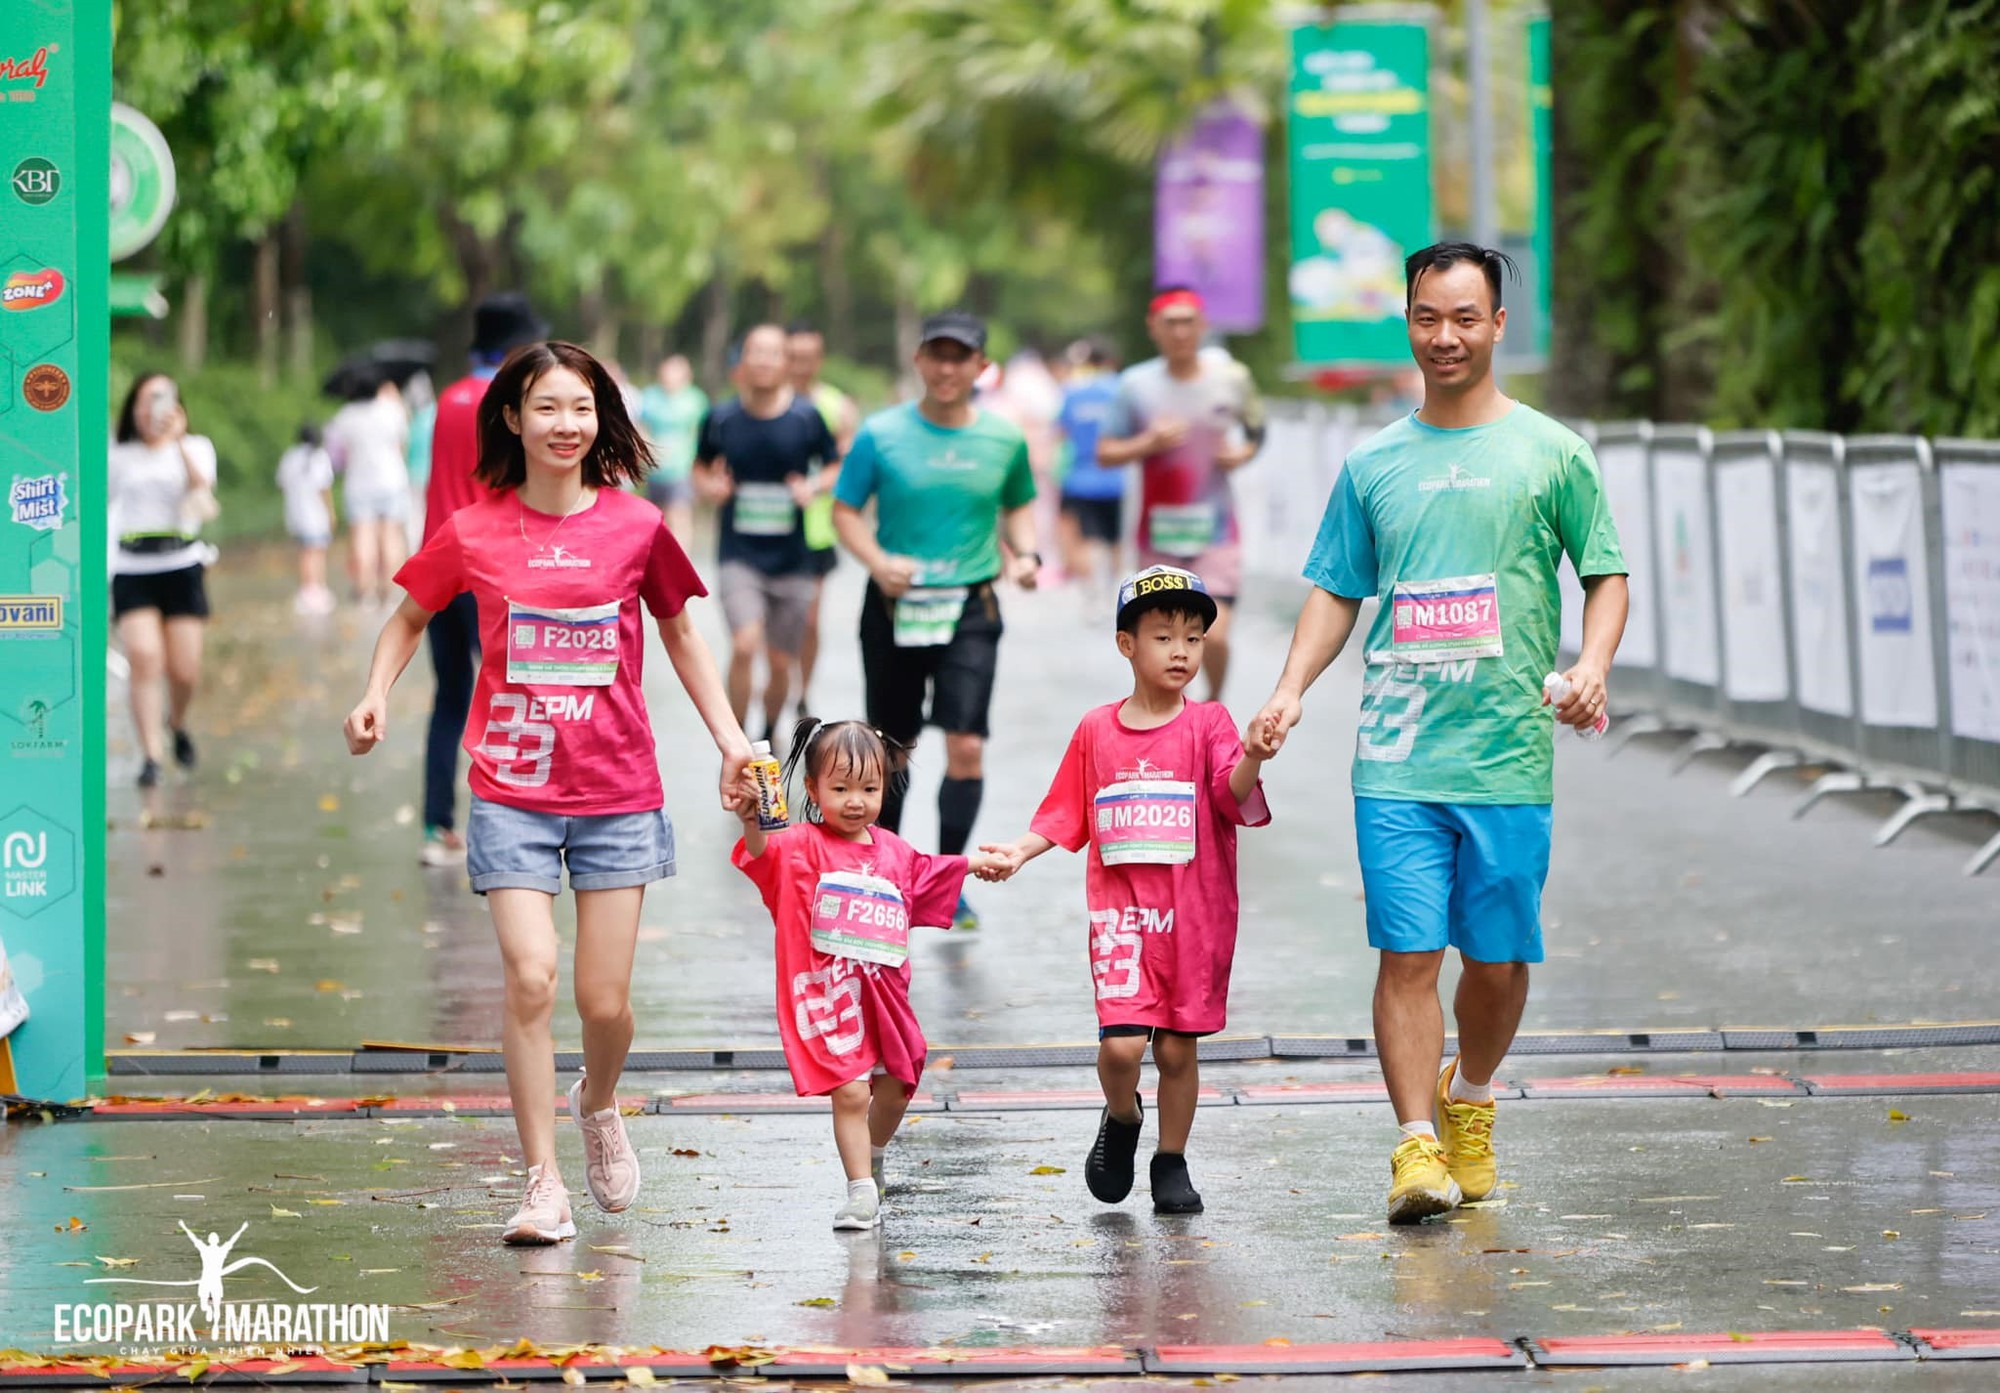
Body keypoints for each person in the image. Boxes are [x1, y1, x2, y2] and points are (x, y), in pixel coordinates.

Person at [1252, 243, 1629, 1225]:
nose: (1445, 336)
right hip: (1396, 753)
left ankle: (1469, 1098)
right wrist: (1289, 687)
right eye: (1427, 317)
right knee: (1406, 953)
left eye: (1465, 317)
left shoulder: (1549, 452)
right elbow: (1337, 586)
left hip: (1505, 752)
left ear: (1498, 324)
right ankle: (1414, 1144)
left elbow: (1603, 572)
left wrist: (1590, 664)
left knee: (1498, 962)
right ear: (1407, 323)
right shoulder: (1373, 462)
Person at [343, 341, 751, 1245]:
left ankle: (598, 1100)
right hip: (511, 788)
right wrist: (375, 693)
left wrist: (728, 741)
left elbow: (683, 636)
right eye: (547, 408)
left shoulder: (637, 526)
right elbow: (408, 614)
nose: (566, 425)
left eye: (581, 408)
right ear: (513, 420)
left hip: (616, 788)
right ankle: (540, 1183)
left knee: (604, 1003)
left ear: (600, 418)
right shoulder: (475, 529)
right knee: (531, 977)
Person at [978, 567, 1274, 1214]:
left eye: (1193, 639)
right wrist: (1019, 853)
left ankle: (1171, 1158)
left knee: (1173, 1047)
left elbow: (1230, 796)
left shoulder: (1210, 724)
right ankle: (1123, 1115)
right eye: (1164, 635)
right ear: (1125, 645)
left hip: (1195, 918)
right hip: (1123, 919)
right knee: (1120, 1045)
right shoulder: (1096, 730)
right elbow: (1065, 812)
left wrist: (1251, 752)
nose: (1181, 651)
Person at [732, 721, 1006, 1230]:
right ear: (812, 790)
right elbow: (763, 853)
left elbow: (928, 870)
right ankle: (859, 1189)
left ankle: (874, 1156)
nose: (855, 801)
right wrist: (752, 821)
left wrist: (977, 864)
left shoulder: (894, 852)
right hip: (831, 993)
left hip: (885, 997)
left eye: (869, 788)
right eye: (839, 789)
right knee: (853, 1090)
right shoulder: (800, 846)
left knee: (899, 1084)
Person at [832, 310, 1040, 933]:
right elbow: (844, 510)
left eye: (961, 357)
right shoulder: (881, 434)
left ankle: (949, 881)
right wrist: (877, 560)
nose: (948, 368)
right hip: (895, 607)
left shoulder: (1004, 439)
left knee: (967, 744)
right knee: (891, 750)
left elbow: (1019, 505)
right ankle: (889, 873)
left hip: (970, 607)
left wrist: (1026, 554)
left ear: (981, 366)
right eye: (936, 355)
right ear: (919, 361)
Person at [416, 292, 548, 867]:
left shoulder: (447, 400)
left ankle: (434, 825)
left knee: (450, 698)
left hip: (439, 565)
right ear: (515, 348)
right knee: (518, 692)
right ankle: (520, 814)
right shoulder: (507, 402)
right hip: (493, 568)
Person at [1096, 287, 1266, 701]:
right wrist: (1148, 443)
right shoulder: (1135, 385)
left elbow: (1257, 430)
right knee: (1161, 640)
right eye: (1170, 323)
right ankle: (1172, 716)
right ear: (1153, 328)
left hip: (1218, 530)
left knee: (1216, 634)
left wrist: (1241, 454)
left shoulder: (1232, 379)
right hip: (1157, 536)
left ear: (1203, 325)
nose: (1180, 331)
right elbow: (1105, 452)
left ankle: (1213, 704)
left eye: (1188, 321)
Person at [694, 325, 841, 740]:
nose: (763, 360)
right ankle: (736, 738)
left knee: (780, 662)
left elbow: (834, 465)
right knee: (744, 645)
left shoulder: (806, 418)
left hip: (792, 559)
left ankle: (771, 730)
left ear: (786, 363)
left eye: (772, 353)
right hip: (739, 554)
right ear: (742, 361)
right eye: (754, 351)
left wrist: (811, 487)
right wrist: (712, 488)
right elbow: (700, 469)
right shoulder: (720, 418)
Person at [109, 373, 218, 788]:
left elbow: (203, 488)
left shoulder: (195, 448)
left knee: (184, 670)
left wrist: (177, 439)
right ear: (133, 408)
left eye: (160, 400)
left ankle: (178, 721)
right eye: (143, 401)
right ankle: (151, 756)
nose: (150, 410)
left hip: (181, 562)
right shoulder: (118, 454)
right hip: (132, 566)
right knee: (143, 657)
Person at [786, 323, 860, 722]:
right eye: (792, 357)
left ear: (819, 360)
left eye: (807, 358)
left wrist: (815, 485)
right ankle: (779, 679)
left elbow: (847, 464)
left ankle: (803, 690)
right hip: (769, 531)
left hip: (816, 528)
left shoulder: (835, 406)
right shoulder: (767, 403)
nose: (799, 366)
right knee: (774, 617)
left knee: (809, 617)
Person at [324, 372, 411, 607]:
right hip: (392, 480)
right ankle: (390, 590)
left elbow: (336, 458)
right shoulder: (391, 410)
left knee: (363, 537)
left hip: (359, 484)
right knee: (390, 535)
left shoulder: (344, 417)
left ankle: (366, 591)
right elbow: (402, 443)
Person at [1054, 339, 1126, 599]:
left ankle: (1092, 593)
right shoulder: (1120, 390)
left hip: (1080, 477)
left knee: (1085, 538)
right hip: (1116, 478)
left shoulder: (1073, 392)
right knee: (1115, 539)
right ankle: (1112, 590)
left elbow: (1061, 432)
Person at [638, 353, 708, 542]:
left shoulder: (695, 400)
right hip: (656, 468)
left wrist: (699, 467)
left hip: (682, 468)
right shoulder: (650, 397)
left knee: (680, 514)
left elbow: (702, 434)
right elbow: (641, 427)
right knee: (657, 518)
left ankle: (681, 562)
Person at [275, 422, 337, 616]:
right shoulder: (319, 457)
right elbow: (324, 488)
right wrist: (331, 512)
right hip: (315, 513)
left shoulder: (290, 456)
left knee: (305, 551)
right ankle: (316, 588)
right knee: (316, 551)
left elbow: (282, 482)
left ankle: (308, 588)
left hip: (296, 511)